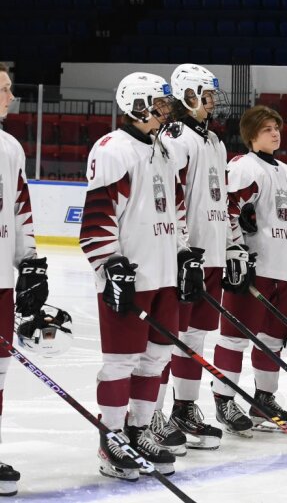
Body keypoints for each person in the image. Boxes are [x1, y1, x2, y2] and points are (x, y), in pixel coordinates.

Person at [81, 72, 198, 479]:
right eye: (160, 104)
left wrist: (185, 255)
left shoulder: (163, 149)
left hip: (164, 274)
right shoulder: (113, 149)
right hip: (129, 276)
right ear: (137, 106)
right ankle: (110, 440)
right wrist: (108, 264)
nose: (167, 111)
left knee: (157, 358)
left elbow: (177, 207)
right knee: (120, 362)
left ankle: (138, 429)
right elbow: (97, 218)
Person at [211, 105, 287, 435]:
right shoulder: (244, 167)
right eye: (268, 128)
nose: (276, 133)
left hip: (281, 271)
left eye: (277, 127)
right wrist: (236, 249)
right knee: (234, 337)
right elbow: (227, 210)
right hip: (253, 269)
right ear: (252, 135)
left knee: (271, 341)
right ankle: (224, 399)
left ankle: (263, 400)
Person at [152, 64, 227, 452]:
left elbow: (221, 200)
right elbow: (170, 195)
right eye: (206, 95)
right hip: (187, 256)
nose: (212, 102)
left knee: (195, 337)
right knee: (169, 339)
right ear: (188, 97)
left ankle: (184, 407)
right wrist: (183, 250)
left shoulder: (215, 140)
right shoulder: (176, 136)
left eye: (212, 95)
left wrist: (229, 247)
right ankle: (154, 414)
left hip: (210, 255)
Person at [0, 62, 50, 496]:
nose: (11, 96)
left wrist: (28, 261)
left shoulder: (11, 145)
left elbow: (20, 210)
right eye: (4, 89)